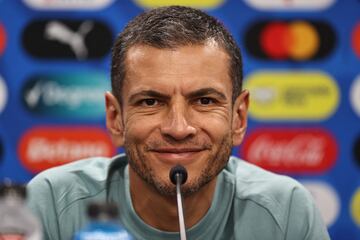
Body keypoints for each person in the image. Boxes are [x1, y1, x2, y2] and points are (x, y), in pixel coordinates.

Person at [27, 6, 330, 240]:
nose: (178, 127)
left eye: (205, 101)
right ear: (115, 118)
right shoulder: (53, 203)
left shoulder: (286, 211)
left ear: (238, 118)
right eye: (150, 102)